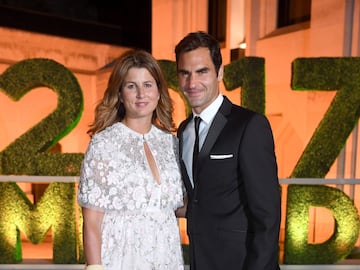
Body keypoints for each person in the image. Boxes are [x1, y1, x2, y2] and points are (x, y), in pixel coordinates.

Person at [175, 31, 281, 270]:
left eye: (202, 72)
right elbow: (200, 200)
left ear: (219, 72)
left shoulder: (249, 125)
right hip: (199, 261)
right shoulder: (183, 131)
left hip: (242, 263)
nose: (192, 83)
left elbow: (267, 216)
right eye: (185, 73)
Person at [78, 49, 185, 270]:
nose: (140, 94)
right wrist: (95, 266)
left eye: (147, 85)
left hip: (166, 255)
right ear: (120, 93)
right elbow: (92, 222)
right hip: (121, 258)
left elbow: (178, 205)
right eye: (131, 86)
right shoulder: (103, 145)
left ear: (158, 91)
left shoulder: (172, 144)